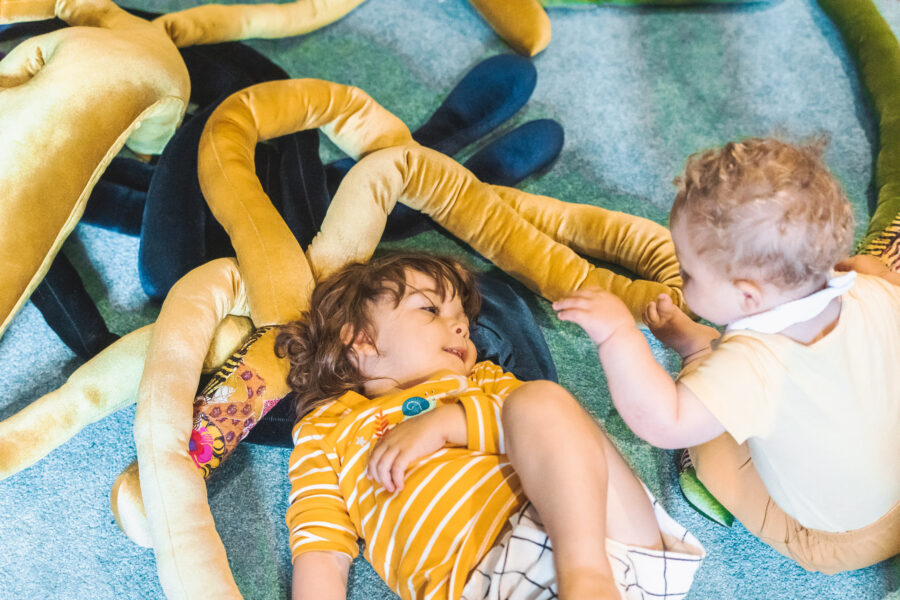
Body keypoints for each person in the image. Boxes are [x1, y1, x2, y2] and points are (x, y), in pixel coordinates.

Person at [553, 137, 900, 573]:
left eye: (688, 273)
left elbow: (664, 422)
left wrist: (618, 334)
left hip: (832, 542)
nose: (681, 279)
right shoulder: (876, 291)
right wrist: (868, 269)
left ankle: (696, 349)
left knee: (712, 451)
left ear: (749, 296)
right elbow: (876, 273)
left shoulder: (753, 364)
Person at [276, 252, 704, 600]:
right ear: (362, 339)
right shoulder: (326, 429)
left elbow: (553, 439)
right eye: (430, 309)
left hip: (595, 537)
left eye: (461, 316)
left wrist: (450, 422)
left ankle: (587, 578)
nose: (461, 325)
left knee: (542, 401)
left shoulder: (482, 381)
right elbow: (321, 544)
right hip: (482, 584)